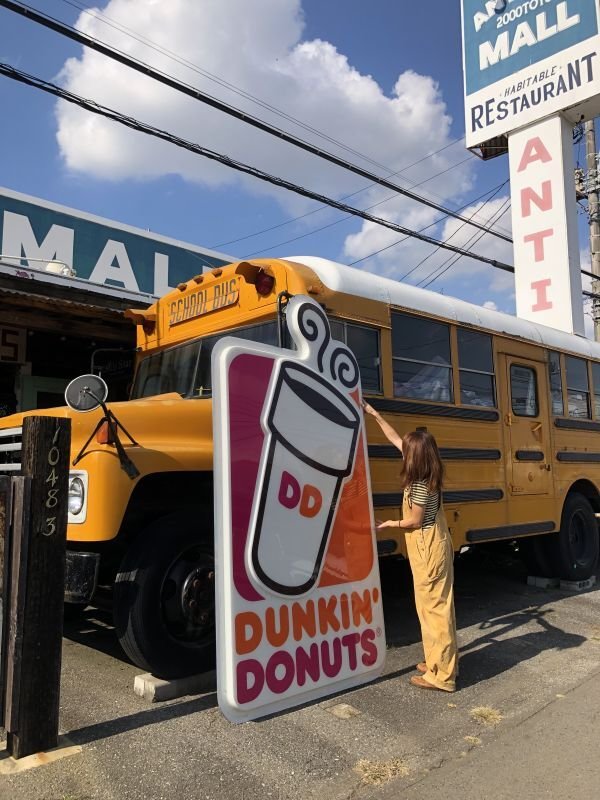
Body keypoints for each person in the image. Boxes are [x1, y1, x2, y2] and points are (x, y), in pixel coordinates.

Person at [362, 401, 458, 692]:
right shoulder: (430, 470)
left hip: (427, 544)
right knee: (429, 606)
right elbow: (395, 438)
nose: (402, 453)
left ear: (414, 457)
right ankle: (434, 661)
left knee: (435, 609)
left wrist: (388, 523)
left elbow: (413, 521)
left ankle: (442, 677)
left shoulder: (419, 485)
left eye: (407, 451)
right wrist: (375, 414)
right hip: (435, 541)